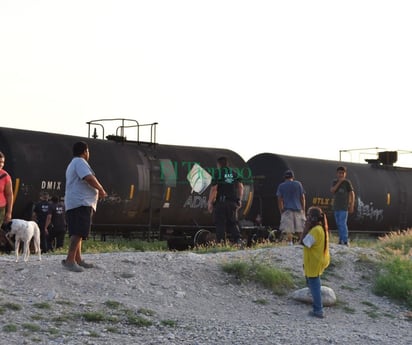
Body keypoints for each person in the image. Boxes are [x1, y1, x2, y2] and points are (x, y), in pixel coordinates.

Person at [63, 141, 107, 272]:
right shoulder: (80, 162)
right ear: (85, 151)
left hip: (75, 202)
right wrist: (101, 189)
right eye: (88, 151)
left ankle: (78, 259)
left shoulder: (73, 163)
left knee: (78, 232)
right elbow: (88, 178)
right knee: (78, 232)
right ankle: (70, 260)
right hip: (81, 202)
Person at [301, 206, 330, 318]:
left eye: (308, 216)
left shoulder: (315, 231)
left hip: (314, 261)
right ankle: (316, 306)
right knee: (312, 283)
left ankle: (318, 310)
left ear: (312, 218)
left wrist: (305, 228)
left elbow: (304, 242)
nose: (306, 219)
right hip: (313, 261)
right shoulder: (320, 229)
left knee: (315, 285)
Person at [207, 156, 244, 245]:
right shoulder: (234, 173)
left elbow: (214, 189)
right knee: (233, 223)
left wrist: (210, 202)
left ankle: (221, 243)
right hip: (232, 203)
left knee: (220, 223)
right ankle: (238, 240)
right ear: (227, 164)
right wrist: (239, 199)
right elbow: (241, 187)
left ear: (219, 164)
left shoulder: (217, 173)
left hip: (221, 202)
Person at [276, 169, 306, 245]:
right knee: (300, 228)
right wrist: (303, 209)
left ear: (284, 177)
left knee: (288, 229)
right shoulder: (298, 184)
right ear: (293, 177)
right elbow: (302, 197)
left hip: (287, 210)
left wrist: (281, 210)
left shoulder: (281, 186)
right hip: (298, 209)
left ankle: (290, 243)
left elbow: (279, 200)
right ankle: (301, 243)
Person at [330, 166, 355, 245]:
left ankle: (345, 240)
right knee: (338, 223)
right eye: (339, 173)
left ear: (345, 174)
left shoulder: (347, 183)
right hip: (336, 207)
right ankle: (341, 239)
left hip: (344, 207)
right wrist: (340, 182)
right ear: (337, 174)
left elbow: (352, 194)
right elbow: (332, 190)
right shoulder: (335, 181)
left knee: (342, 223)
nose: (341, 175)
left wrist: (351, 205)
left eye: (342, 173)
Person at [0, 151, 13, 226]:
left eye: (2, 162)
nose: (1, 164)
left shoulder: (5, 176)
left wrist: (9, 212)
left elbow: (9, 195)